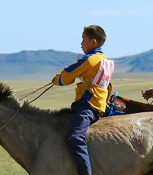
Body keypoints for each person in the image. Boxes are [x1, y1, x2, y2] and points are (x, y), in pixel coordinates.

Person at [52, 25, 114, 175]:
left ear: (93, 41)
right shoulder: (106, 60)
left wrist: (56, 79)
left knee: (75, 137)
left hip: (89, 105)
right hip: (99, 104)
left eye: (83, 38)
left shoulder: (89, 60)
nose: (81, 43)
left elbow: (66, 77)